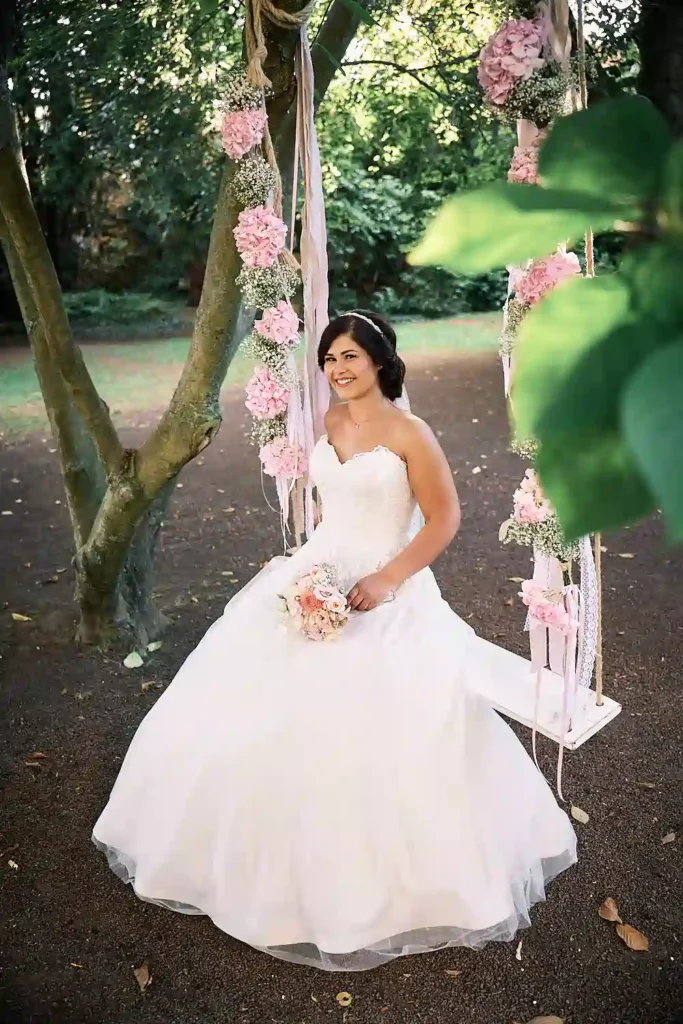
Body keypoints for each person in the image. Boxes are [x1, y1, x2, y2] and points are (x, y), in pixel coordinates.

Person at [93, 310, 576, 972]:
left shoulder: (411, 432)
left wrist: (386, 578)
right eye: (328, 360)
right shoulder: (332, 423)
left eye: (349, 356)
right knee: (255, 708)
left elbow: (443, 518)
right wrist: (305, 564)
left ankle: (393, 890)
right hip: (317, 575)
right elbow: (336, 506)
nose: (338, 370)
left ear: (379, 360)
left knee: (389, 724)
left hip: (387, 585)